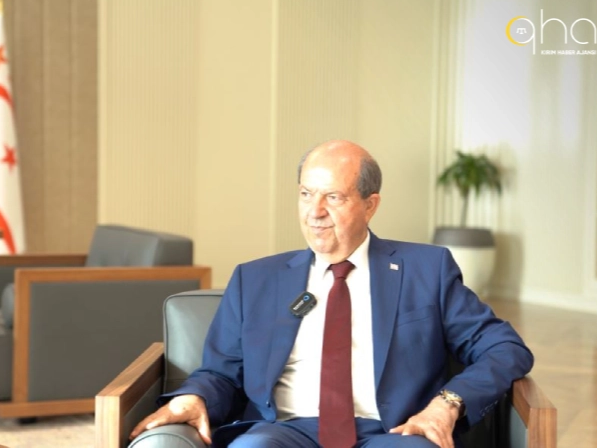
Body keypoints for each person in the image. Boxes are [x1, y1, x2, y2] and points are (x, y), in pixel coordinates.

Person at [130, 140, 533, 448]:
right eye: (306, 194)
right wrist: (195, 396)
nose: (315, 211)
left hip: (392, 433)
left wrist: (447, 403)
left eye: (333, 197)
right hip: (283, 431)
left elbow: (504, 348)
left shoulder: (426, 270)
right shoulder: (255, 279)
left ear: (370, 205)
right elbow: (221, 372)